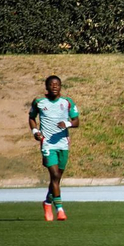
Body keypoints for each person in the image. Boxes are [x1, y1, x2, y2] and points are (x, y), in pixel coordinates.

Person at [28, 75, 79, 222]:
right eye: (51, 84)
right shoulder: (39, 102)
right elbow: (31, 118)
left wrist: (67, 124)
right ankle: (60, 210)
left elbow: (76, 121)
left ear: (60, 86)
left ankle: (48, 202)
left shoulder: (67, 102)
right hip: (47, 144)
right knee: (55, 175)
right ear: (46, 87)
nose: (54, 86)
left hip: (63, 144)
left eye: (57, 84)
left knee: (57, 177)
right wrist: (35, 132)